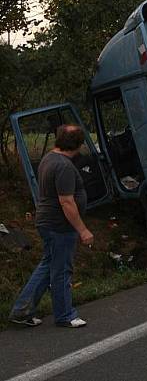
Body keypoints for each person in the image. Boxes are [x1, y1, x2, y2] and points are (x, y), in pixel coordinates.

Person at [9, 125, 94, 328]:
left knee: (48, 266)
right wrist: (83, 230)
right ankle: (65, 315)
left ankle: (22, 311)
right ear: (79, 145)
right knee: (62, 270)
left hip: (47, 222)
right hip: (59, 226)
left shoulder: (49, 158)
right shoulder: (64, 166)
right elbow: (67, 202)